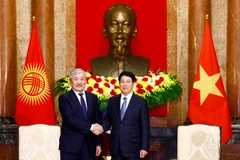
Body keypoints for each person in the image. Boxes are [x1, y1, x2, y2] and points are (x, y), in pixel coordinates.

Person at [96, 71, 150, 160]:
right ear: (119, 83)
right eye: (122, 81)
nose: (125, 84)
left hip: (133, 148)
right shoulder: (113, 100)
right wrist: (101, 128)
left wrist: (144, 147)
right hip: (116, 148)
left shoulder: (140, 102)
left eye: (128, 82)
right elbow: (108, 120)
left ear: (133, 84)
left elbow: (145, 126)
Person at [91, 4, 150, 77]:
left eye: (126, 25)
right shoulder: (96, 64)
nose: (120, 31)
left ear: (134, 30)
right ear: (105, 30)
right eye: (114, 24)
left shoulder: (143, 64)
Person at [58, 68, 103, 160]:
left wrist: (98, 143)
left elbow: (97, 119)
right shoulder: (65, 98)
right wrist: (91, 127)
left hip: (89, 144)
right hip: (70, 145)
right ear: (71, 82)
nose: (79, 82)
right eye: (76, 79)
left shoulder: (93, 98)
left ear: (86, 81)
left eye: (82, 79)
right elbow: (69, 118)